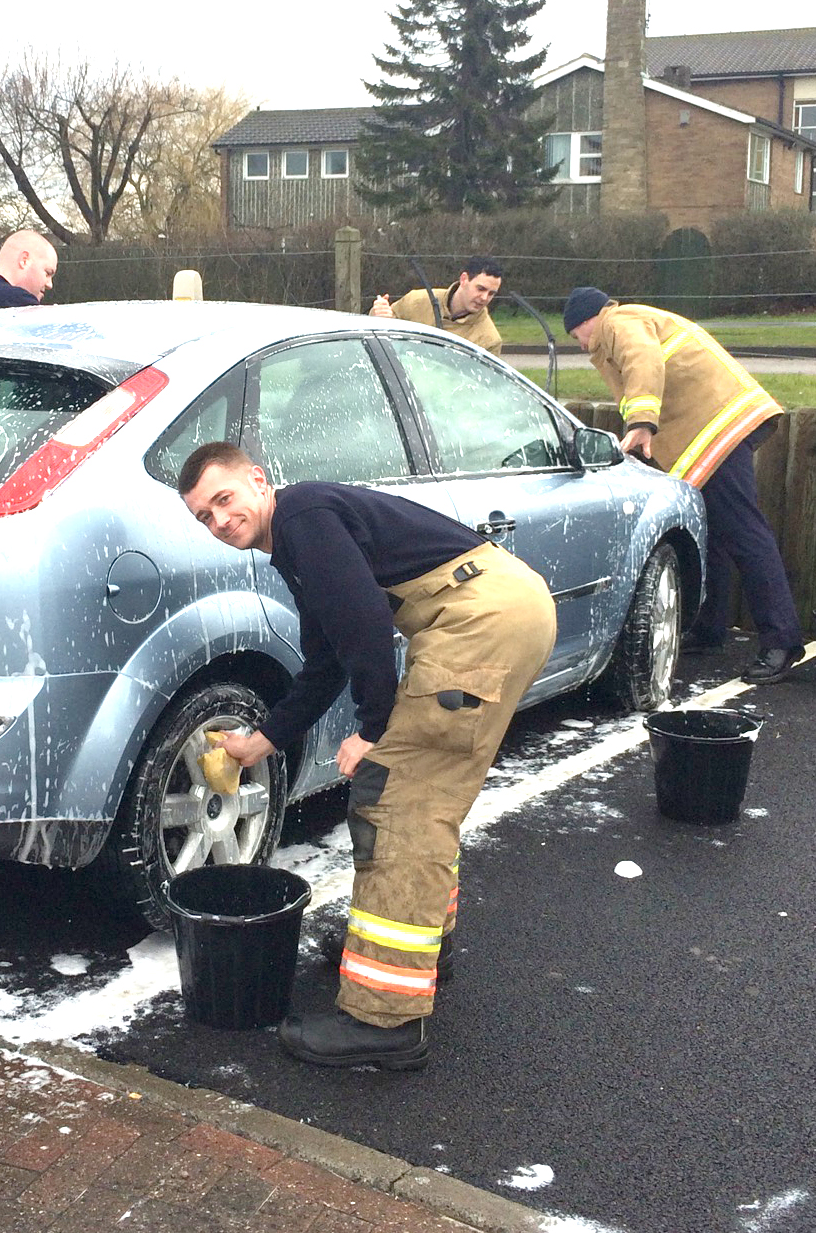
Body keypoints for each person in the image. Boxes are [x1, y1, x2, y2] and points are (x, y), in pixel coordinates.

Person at [177, 443, 556, 1070]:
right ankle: (421, 950)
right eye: (203, 517)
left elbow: (366, 629)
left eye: (224, 499)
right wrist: (260, 742)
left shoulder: (302, 518)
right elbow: (327, 659)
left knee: (398, 806)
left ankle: (384, 1021)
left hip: (479, 624)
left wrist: (375, 729)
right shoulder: (301, 534)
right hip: (497, 611)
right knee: (419, 801)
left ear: (258, 481)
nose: (219, 521)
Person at [562, 287, 805, 684]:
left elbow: (643, 360)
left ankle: (782, 641)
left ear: (588, 320)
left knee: (745, 533)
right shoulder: (635, 318)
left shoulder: (619, 323)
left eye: (578, 336)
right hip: (715, 429)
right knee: (714, 535)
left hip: (719, 429)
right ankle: (710, 629)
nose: (583, 345)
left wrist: (641, 420)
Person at [370, 256, 504, 354]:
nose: (484, 298)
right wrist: (377, 315)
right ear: (464, 279)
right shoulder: (417, 301)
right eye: (480, 289)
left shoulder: (489, 340)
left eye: (491, 293)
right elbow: (376, 336)